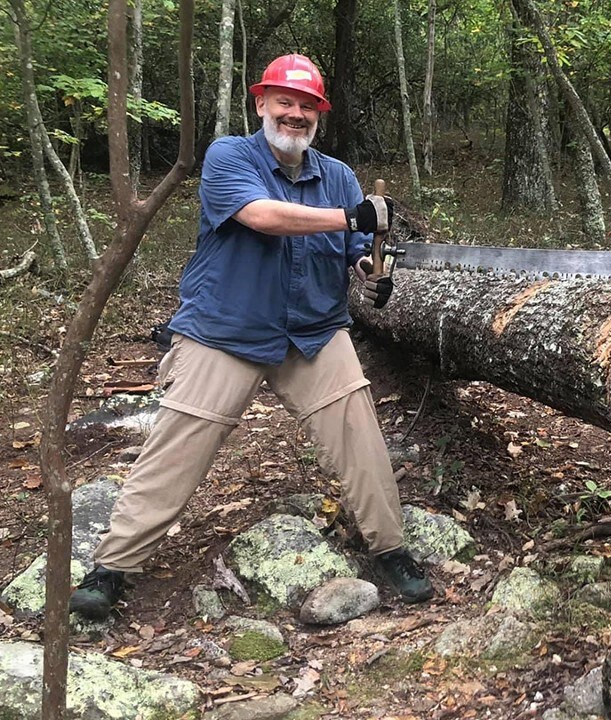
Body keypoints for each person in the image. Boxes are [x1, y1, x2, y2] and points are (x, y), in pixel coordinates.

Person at [70, 53, 432, 621]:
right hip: (225, 329)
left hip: (312, 332)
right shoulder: (230, 156)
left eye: (307, 106)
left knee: (360, 433)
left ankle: (392, 551)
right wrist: (352, 220)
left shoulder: (337, 176)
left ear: (319, 116)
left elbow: (357, 251)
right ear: (260, 102)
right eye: (284, 102)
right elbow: (264, 216)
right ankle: (112, 567)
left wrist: (370, 271)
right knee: (177, 448)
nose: (295, 114)